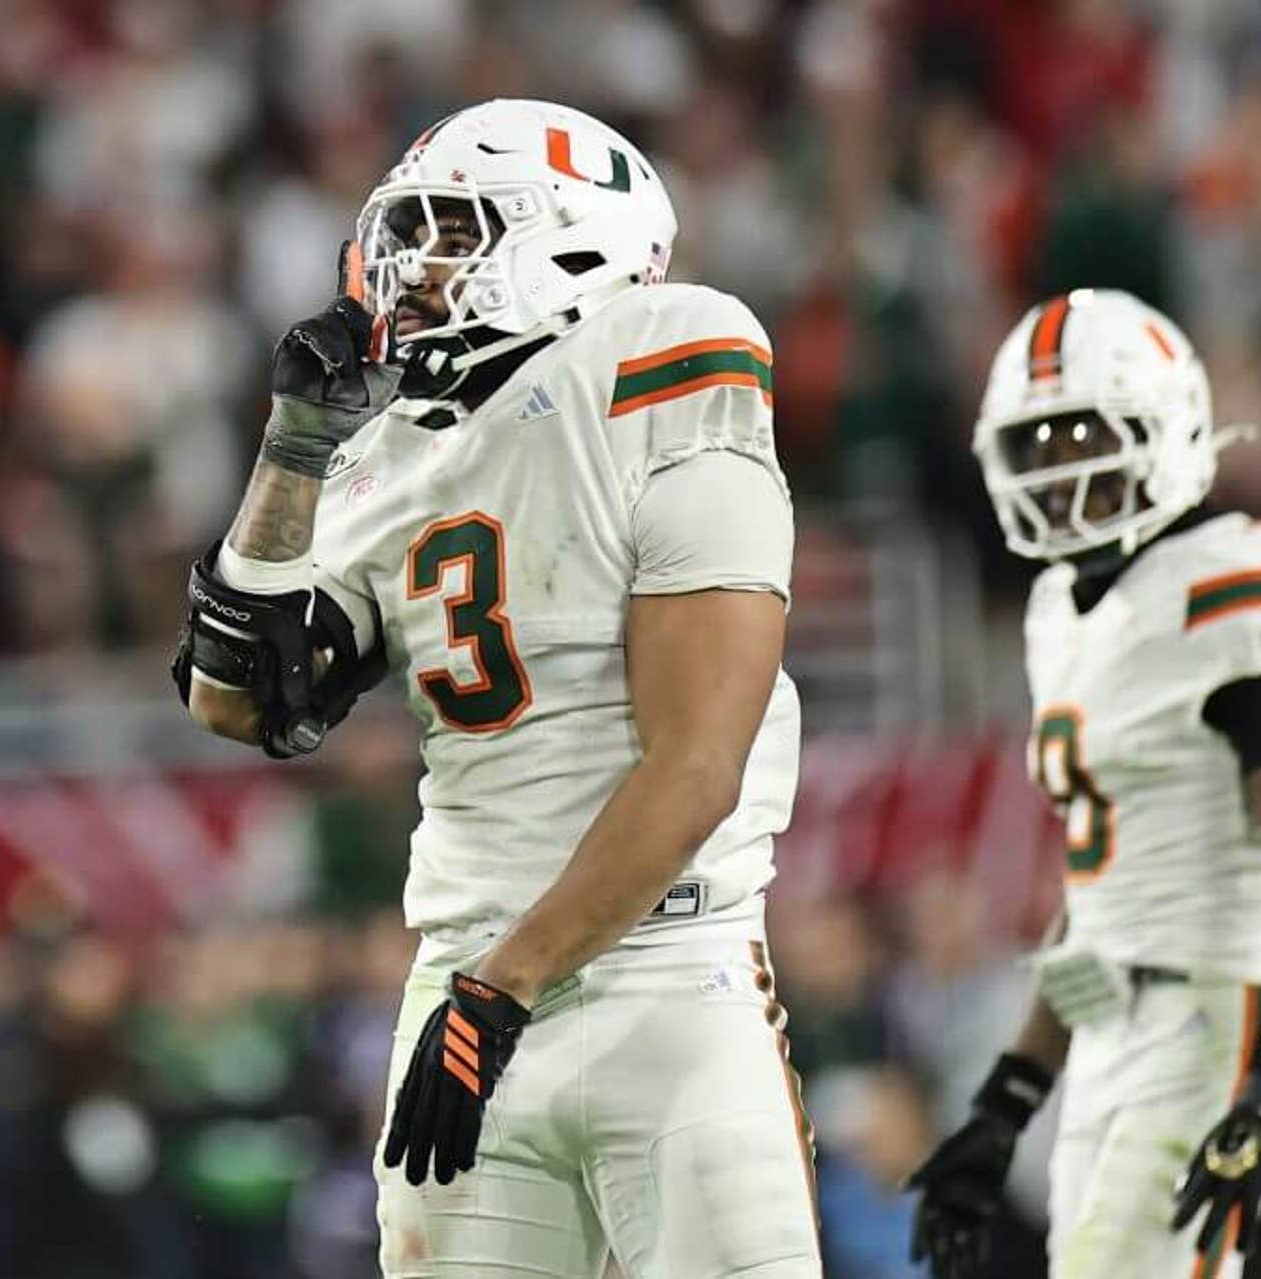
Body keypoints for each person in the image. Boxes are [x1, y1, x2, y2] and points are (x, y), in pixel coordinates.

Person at [176, 99, 817, 1276]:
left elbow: (698, 765)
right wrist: (295, 444)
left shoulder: (663, 348)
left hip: (664, 974)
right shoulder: (388, 451)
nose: (411, 268)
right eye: (404, 234)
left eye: (455, 230)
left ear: (580, 239)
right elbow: (237, 694)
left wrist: (501, 990)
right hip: (463, 985)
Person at [907, 289, 1261, 1279]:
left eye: (1082, 432)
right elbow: (1102, 902)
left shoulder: (1235, 580)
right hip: (1113, 1021)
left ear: (1163, 427)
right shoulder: (1058, 614)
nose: (1061, 467)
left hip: (1217, 1013)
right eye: (1038, 442)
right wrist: (1006, 1099)